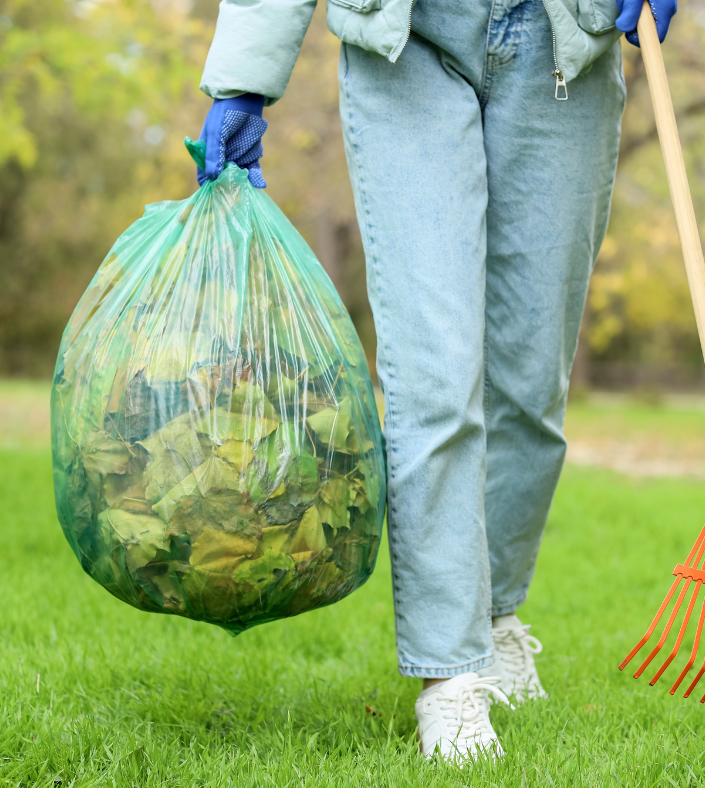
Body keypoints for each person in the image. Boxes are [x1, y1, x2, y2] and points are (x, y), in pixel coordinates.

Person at [196, 0, 676, 762]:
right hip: (407, 46)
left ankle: (494, 619)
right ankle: (449, 675)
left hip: (562, 43)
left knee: (530, 382)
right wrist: (244, 78)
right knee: (434, 375)